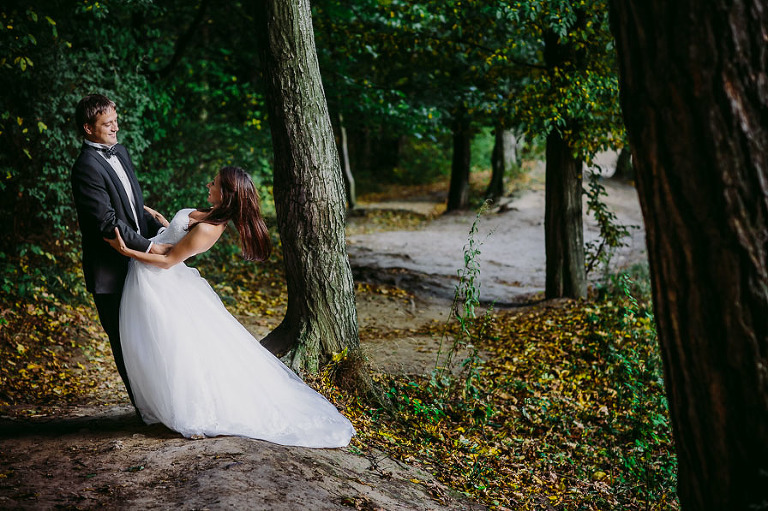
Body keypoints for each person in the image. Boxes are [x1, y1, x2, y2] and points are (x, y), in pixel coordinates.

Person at [105, 166, 355, 448]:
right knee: (158, 345)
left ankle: (190, 408)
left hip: (160, 282)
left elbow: (168, 261)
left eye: (213, 183)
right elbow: (172, 241)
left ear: (225, 194)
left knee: (174, 347)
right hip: (151, 275)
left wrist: (127, 251)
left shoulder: (210, 228)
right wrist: (163, 223)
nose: (208, 185)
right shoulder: (207, 214)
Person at [71, 93, 168, 407]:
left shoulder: (121, 152)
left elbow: (134, 208)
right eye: (107, 124)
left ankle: (164, 404)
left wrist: (159, 232)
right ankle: (145, 410)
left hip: (141, 264)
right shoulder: (85, 167)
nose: (115, 128)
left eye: (115, 121)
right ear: (88, 128)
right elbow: (107, 223)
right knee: (126, 342)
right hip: (110, 273)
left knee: (153, 335)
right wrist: (152, 247)